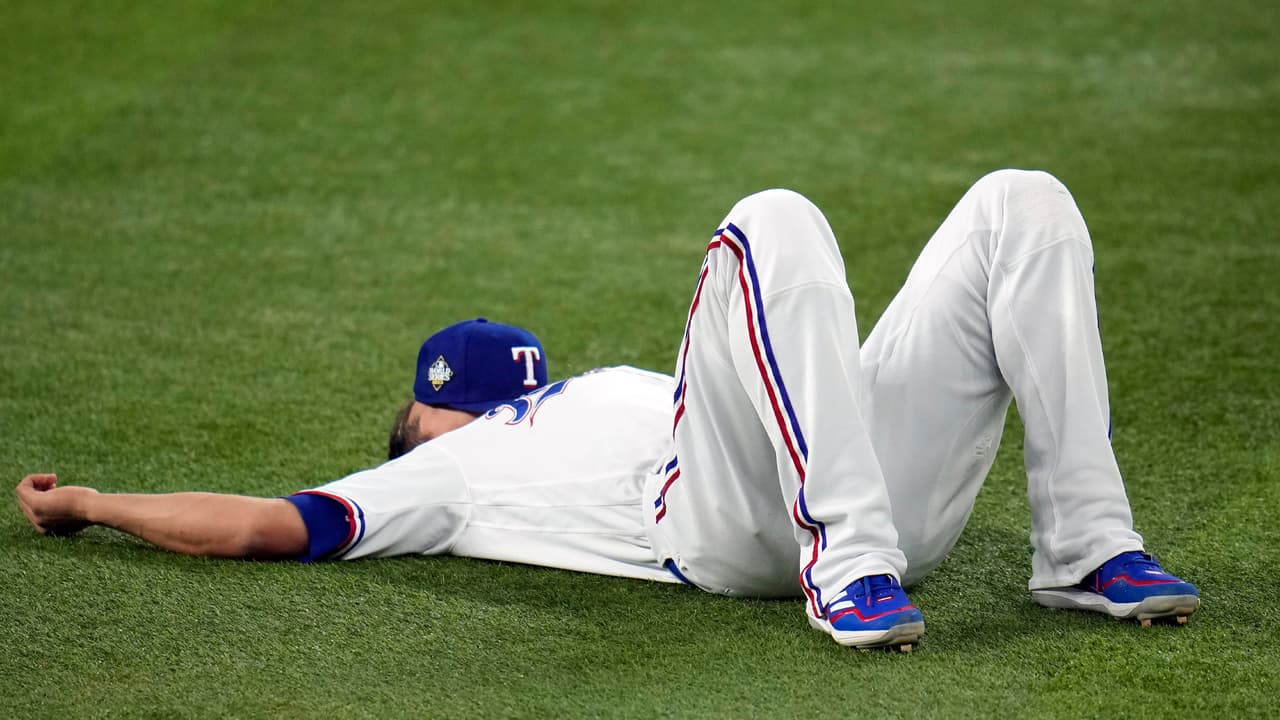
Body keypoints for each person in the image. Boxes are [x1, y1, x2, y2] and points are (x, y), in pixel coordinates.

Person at [16, 169, 1199, 651]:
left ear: (438, 407)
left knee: (1019, 202)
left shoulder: (551, 412)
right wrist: (95, 506)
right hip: (732, 533)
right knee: (768, 219)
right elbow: (265, 524)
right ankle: (848, 561)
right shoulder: (446, 476)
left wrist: (89, 502)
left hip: (850, 493)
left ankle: (1088, 548)